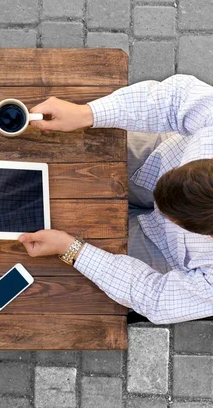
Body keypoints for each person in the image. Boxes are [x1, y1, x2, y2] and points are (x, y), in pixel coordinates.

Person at [18, 74, 213, 325]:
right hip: (154, 160)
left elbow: (156, 298)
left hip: (162, 248)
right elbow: (174, 99)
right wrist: (87, 114)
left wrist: (72, 250)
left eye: (173, 217)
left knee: (59, 269)